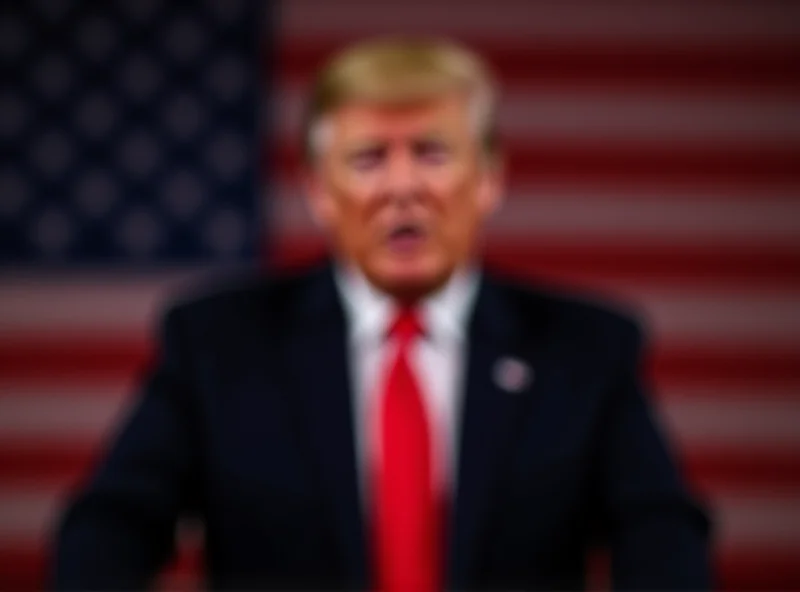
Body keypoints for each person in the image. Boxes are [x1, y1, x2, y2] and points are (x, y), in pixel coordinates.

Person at [51, 37, 711, 591]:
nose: (403, 188)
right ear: (318, 190)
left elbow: (660, 533)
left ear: (489, 178)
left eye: (432, 153)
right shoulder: (219, 344)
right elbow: (111, 526)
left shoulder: (584, 348)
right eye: (368, 159)